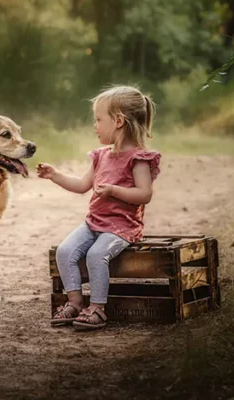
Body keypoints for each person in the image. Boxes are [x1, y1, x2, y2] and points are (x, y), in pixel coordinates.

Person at [37, 85, 161, 330]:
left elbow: (144, 194)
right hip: (94, 223)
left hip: (121, 228)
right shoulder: (101, 156)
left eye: (98, 119)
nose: (95, 125)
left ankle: (98, 308)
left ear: (117, 121)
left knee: (96, 255)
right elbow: (83, 185)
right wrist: (56, 175)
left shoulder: (138, 159)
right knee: (64, 251)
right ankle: (74, 302)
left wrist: (114, 190)